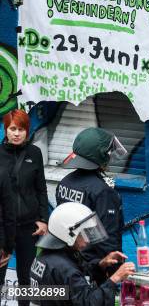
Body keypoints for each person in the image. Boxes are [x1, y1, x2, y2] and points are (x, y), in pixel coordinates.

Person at [29, 202, 135, 306]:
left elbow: (73, 285)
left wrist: (101, 265)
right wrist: (115, 278)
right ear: (68, 234)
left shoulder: (47, 256)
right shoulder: (65, 268)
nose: (87, 240)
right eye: (83, 234)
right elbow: (89, 302)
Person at [56, 127, 126, 282]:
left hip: (67, 261)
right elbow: (108, 237)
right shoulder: (102, 191)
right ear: (100, 155)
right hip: (95, 267)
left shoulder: (65, 182)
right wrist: (114, 270)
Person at [0, 109, 48, 303]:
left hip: (28, 227)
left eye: (21, 129)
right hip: (2, 228)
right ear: (6, 130)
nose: (16, 133)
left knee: (26, 279)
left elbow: (41, 189)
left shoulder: (34, 153)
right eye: (12, 129)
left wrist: (43, 219)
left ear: (27, 131)